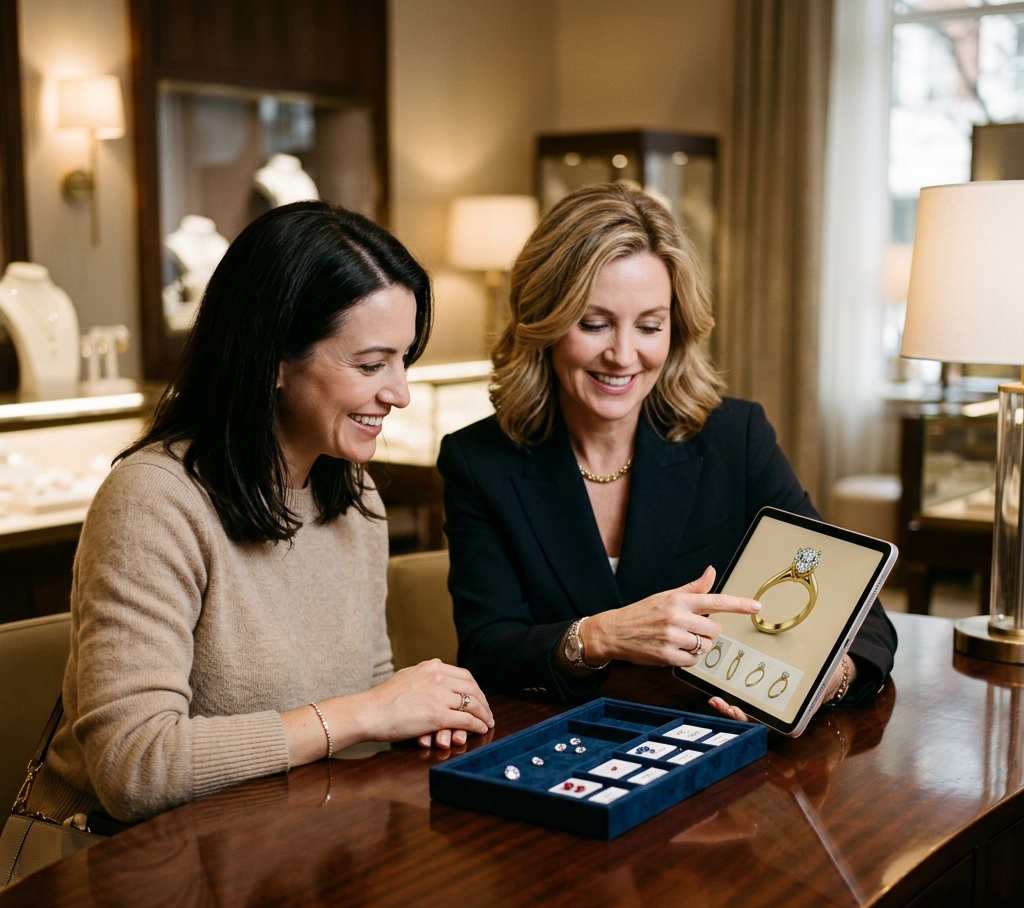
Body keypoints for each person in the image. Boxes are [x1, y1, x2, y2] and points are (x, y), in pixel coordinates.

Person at [27, 202, 493, 829]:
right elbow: (132, 768)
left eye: (403, 359)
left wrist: (416, 718)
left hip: (277, 849)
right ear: (273, 357)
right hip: (124, 872)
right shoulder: (153, 501)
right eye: (369, 364)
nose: (400, 392)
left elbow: (366, 685)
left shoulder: (355, 500)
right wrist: (367, 713)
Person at [438, 182, 896, 719]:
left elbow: (861, 617)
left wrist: (828, 680)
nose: (623, 355)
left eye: (650, 325)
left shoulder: (736, 436)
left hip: (717, 748)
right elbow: (488, 651)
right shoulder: (478, 459)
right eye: (594, 324)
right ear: (544, 321)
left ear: (676, 330)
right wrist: (600, 634)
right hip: (559, 753)